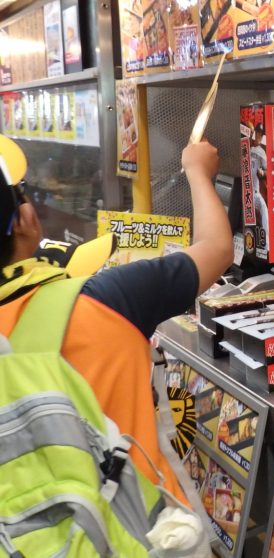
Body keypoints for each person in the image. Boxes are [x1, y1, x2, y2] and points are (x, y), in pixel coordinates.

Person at [0, 136, 234, 504]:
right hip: (142, 531)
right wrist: (197, 171)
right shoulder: (105, 299)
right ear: (24, 219)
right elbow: (217, 248)